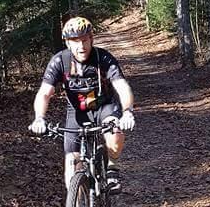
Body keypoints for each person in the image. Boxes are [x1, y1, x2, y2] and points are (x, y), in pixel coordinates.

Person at [29, 17, 136, 191]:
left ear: (91, 39)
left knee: (115, 135)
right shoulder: (59, 61)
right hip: (77, 112)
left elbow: (122, 87)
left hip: (105, 107)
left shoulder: (103, 58)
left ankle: (112, 167)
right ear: (67, 43)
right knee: (72, 164)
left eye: (85, 40)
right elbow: (44, 93)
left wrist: (128, 112)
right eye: (75, 41)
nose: (81, 46)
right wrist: (39, 118)